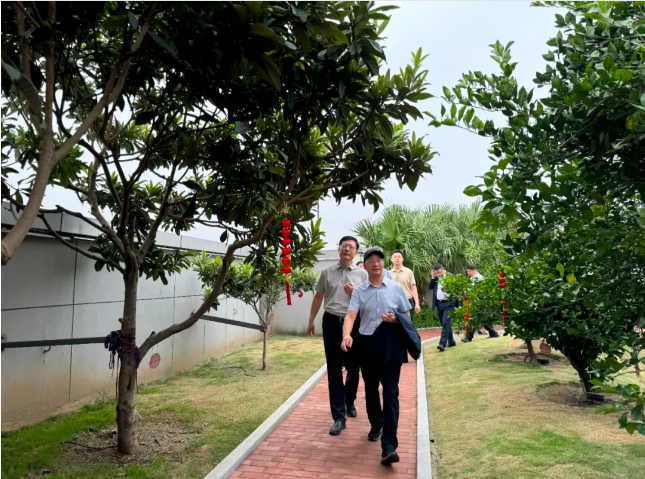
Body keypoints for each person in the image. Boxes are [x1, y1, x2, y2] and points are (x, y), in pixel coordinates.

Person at [341, 247, 418, 466]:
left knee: (391, 391)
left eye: (379, 260)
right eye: (371, 260)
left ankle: (389, 446)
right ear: (365, 266)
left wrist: (396, 319)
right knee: (371, 389)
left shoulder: (395, 288)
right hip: (367, 344)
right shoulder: (359, 291)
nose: (376, 263)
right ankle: (376, 425)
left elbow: (406, 314)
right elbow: (351, 315)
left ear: (384, 265)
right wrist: (346, 334)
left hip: (391, 343)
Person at [307, 236, 368, 435]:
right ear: (339, 249)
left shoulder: (363, 274)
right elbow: (319, 296)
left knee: (353, 368)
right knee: (334, 369)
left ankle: (349, 402)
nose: (347, 249)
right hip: (332, 322)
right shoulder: (327, 272)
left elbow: (368, 301)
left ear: (356, 252)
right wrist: (311, 320)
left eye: (351, 247)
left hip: (354, 324)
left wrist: (354, 293)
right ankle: (339, 417)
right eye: (344, 246)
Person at [462, 264, 499, 343]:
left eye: (469, 271)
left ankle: (468, 337)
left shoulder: (480, 278)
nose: (468, 273)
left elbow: (482, 291)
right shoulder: (472, 278)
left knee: (473, 319)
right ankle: (493, 333)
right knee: (484, 320)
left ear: (474, 270)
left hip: (479, 302)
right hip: (474, 301)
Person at [428, 263, 458, 352]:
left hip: (449, 303)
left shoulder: (450, 276)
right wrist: (433, 277)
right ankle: (451, 342)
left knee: (445, 323)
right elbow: (430, 287)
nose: (438, 274)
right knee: (445, 324)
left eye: (439, 272)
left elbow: (454, 287)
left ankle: (442, 344)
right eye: (436, 273)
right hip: (439, 304)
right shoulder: (436, 278)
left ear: (442, 269)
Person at [389, 250, 421, 321]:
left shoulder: (409, 272)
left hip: (407, 301)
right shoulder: (388, 273)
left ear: (402, 259)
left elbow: (413, 288)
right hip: (393, 302)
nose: (397, 258)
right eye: (395, 257)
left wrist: (417, 303)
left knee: (407, 323)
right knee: (394, 325)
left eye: (399, 257)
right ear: (391, 259)